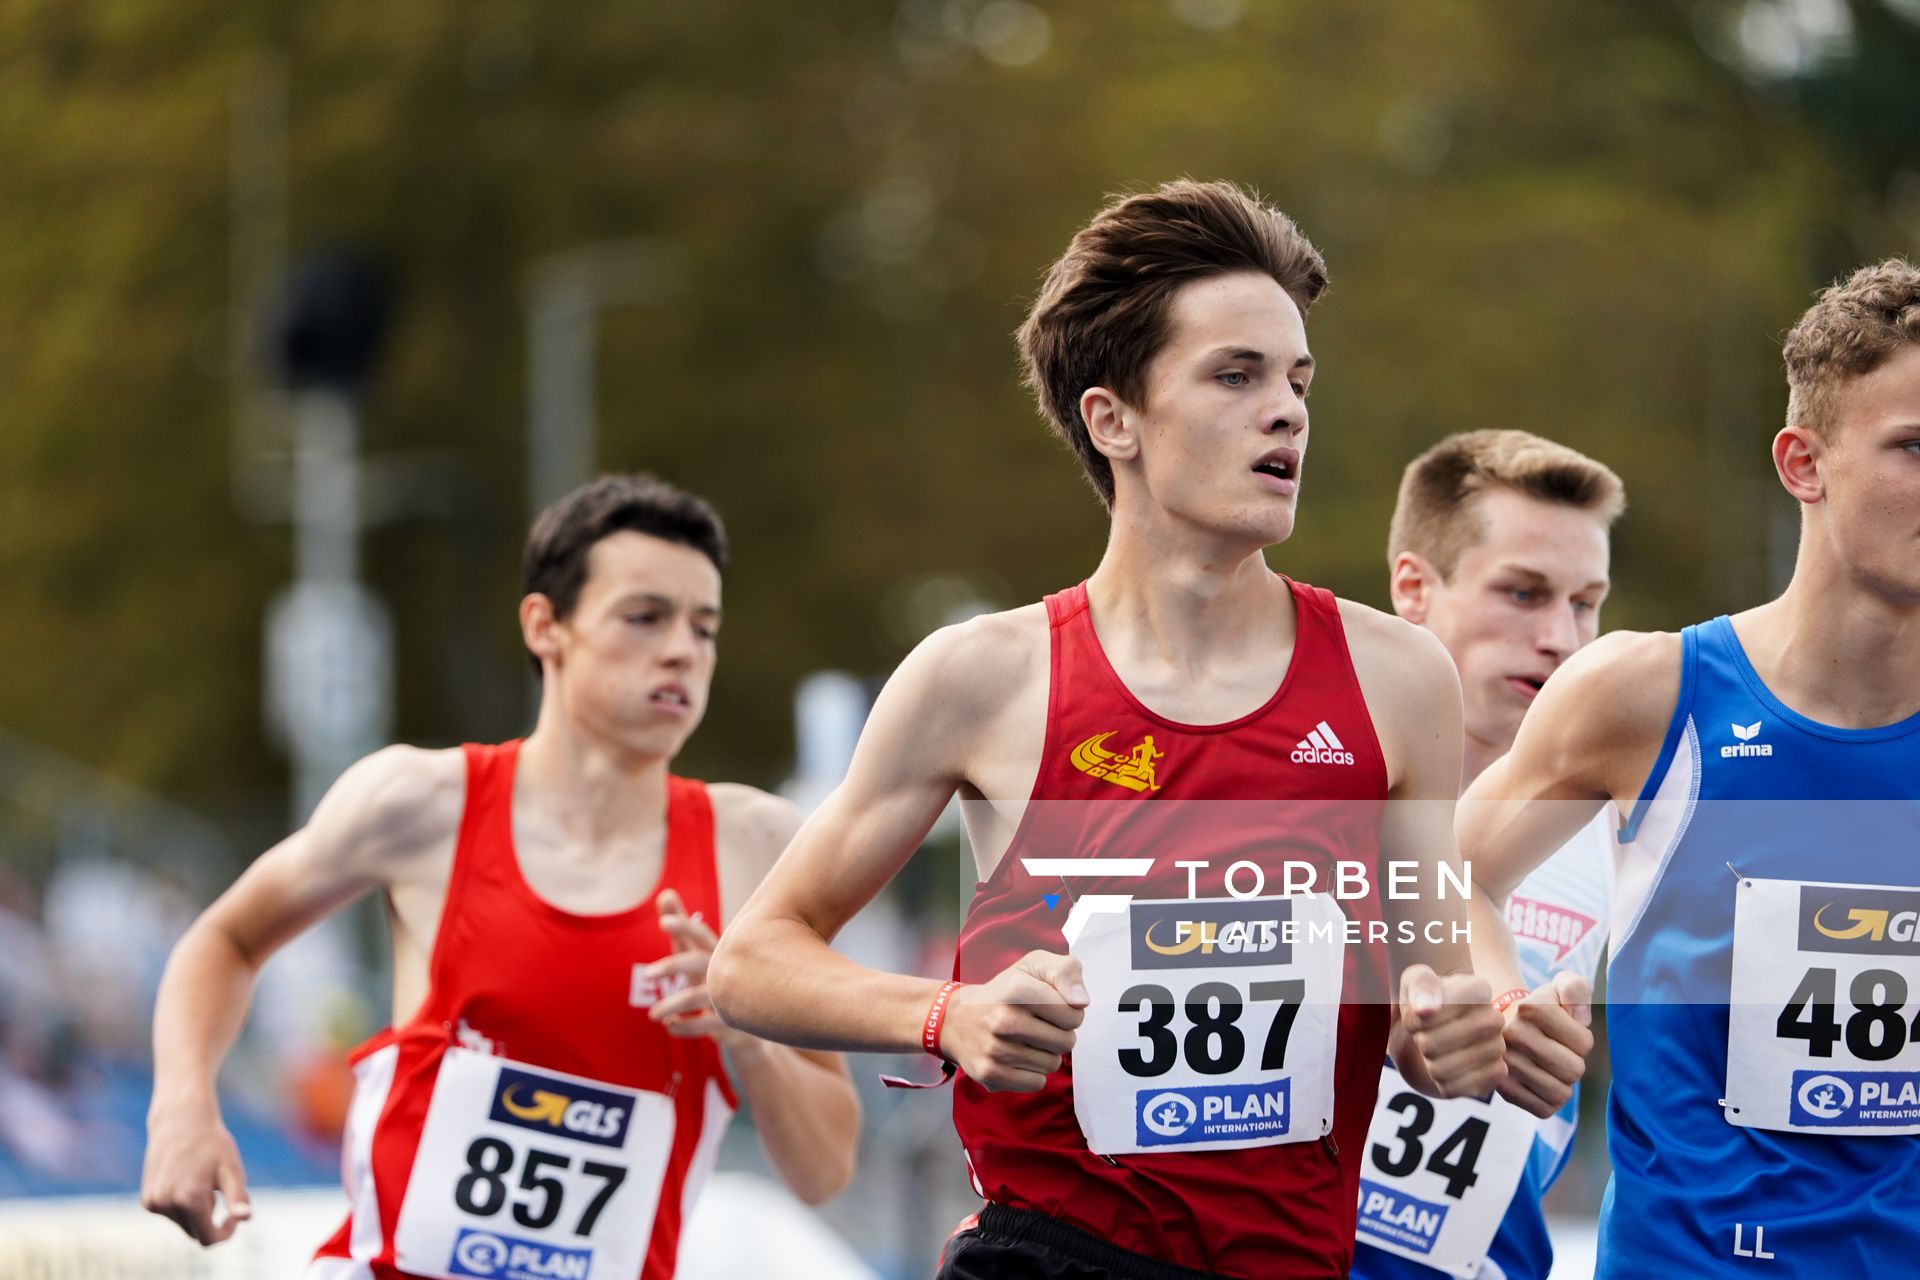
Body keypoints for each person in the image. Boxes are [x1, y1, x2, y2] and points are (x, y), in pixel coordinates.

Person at [710, 180, 1575, 1279]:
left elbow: (1432, 990)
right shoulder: (984, 678)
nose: (1289, 411)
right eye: (1236, 375)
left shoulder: (1399, 677)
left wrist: (1473, 1036)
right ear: (1112, 418)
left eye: (1299, 380)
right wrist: (949, 1012)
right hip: (1051, 1251)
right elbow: (754, 959)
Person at [140, 474, 859, 1280]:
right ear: (545, 626)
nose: (683, 650)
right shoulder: (419, 804)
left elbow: (826, 1169)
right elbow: (226, 938)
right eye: (645, 616)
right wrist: (181, 1107)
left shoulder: (756, 846)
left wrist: (748, 1039)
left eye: (705, 626)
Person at [1458, 259, 1920, 1276]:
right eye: (1914, 447)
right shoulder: (1647, 694)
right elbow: (1443, 873)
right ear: (1804, 464)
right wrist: (1497, 1003)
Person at [1351, 430, 1620, 1280]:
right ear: (1414, 589)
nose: (1562, 639)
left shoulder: (1621, 829)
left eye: (1586, 602)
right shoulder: (1294, 790)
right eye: (1523, 593)